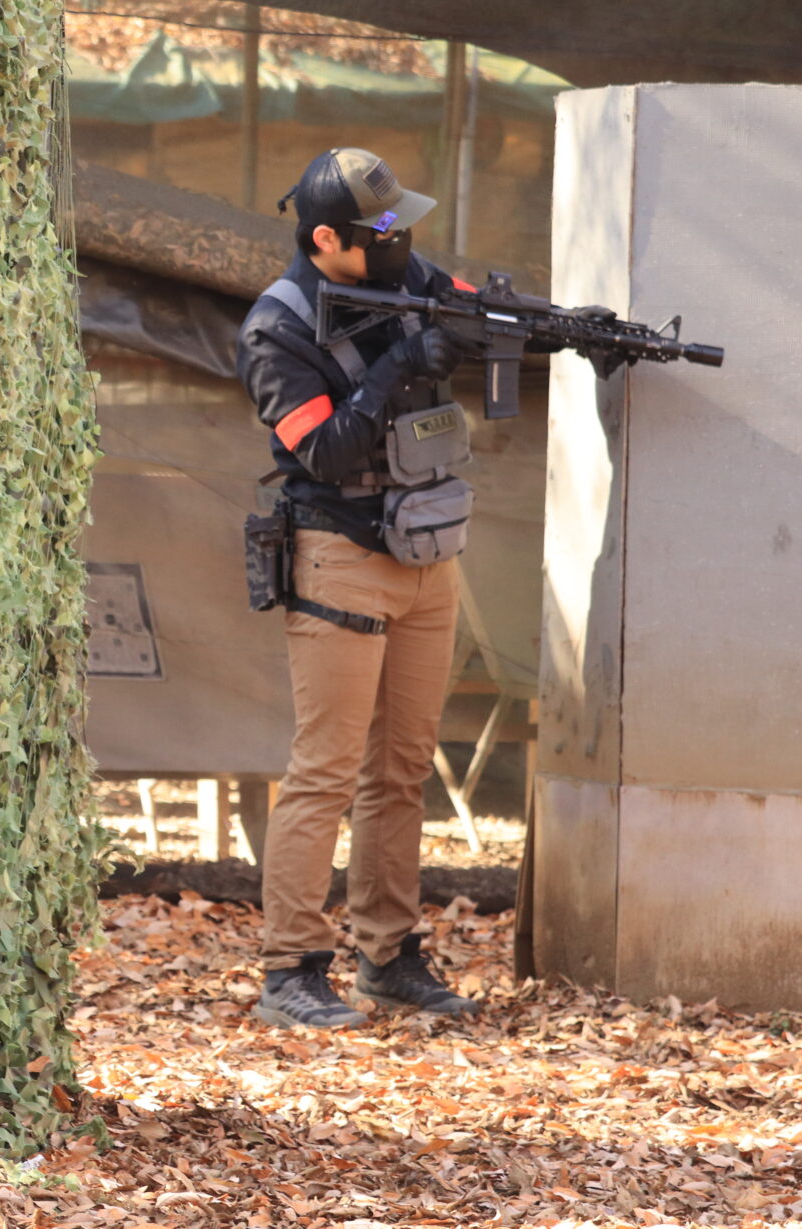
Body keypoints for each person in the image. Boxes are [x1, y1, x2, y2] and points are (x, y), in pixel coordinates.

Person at [236, 148, 485, 1029]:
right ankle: (291, 969)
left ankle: (389, 955)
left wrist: (517, 327)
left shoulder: (403, 274)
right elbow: (326, 451)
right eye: (379, 234)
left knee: (401, 769)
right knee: (326, 772)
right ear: (326, 242)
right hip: (338, 554)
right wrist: (398, 365)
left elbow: (467, 305)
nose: (400, 244)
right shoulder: (276, 329)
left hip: (425, 552)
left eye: (399, 226)